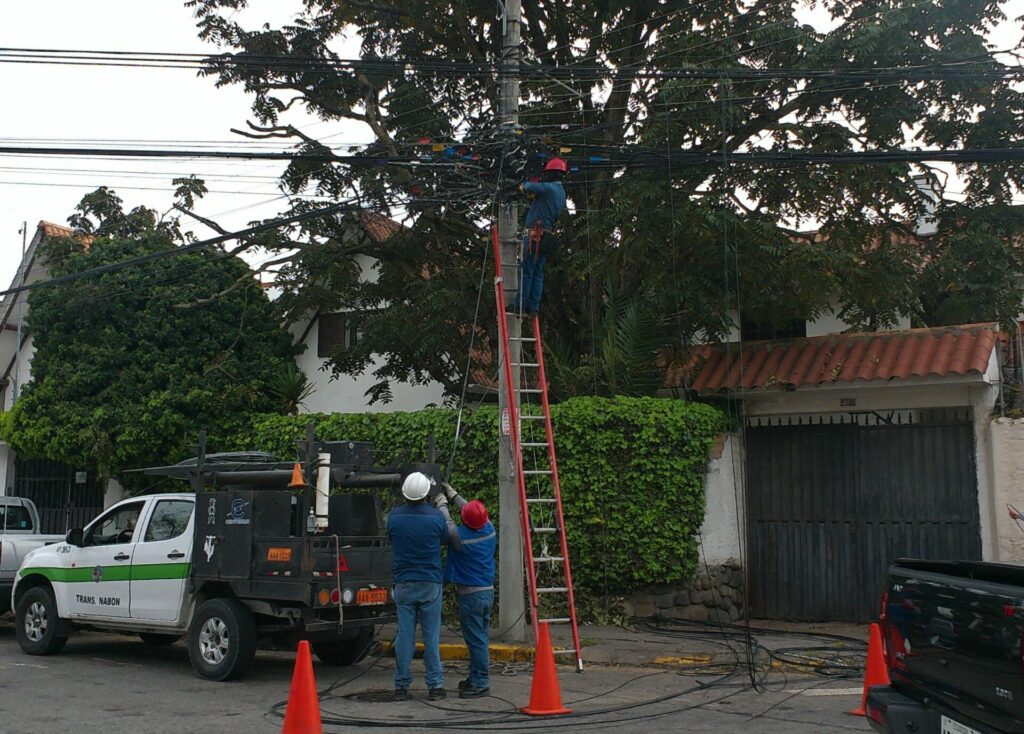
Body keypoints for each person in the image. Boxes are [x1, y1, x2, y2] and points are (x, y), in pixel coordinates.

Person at [387, 471, 460, 701]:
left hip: (404, 584)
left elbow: (391, 538)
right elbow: (450, 538)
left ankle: (401, 686)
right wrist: (443, 507)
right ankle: (435, 686)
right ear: (426, 493)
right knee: (431, 636)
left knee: (404, 637)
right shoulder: (435, 518)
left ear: (405, 493)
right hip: (430, 583)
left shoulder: (394, 518)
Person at [438, 483, 496, 699]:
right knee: (480, 637)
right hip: (487, 592)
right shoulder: (489, 529)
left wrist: (442, 503)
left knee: (476, 640)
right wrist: (454, 495)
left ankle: (481, 682)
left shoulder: (461, 537)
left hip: (471, 596)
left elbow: (448, 523)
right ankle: (474, 677)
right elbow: (473, 513)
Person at [508, 157, 568, 318]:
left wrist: (526, 182)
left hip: (536, 235)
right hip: (547, 237)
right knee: (538, 272)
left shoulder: (548, 188)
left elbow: (528, 186)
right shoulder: (561, 192)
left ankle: (519, 305)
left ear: (552, 174)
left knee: (527, 271)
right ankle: (533, 307)